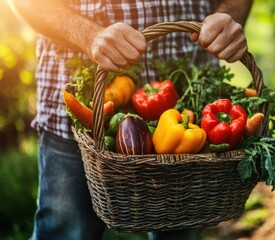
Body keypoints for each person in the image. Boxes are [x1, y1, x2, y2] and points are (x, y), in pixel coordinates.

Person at [8, 0, 253, 239]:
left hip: (193, 101)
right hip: (85, 112)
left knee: (183, 231)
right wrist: (89, 35)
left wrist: (229, 15)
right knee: (68, 231)